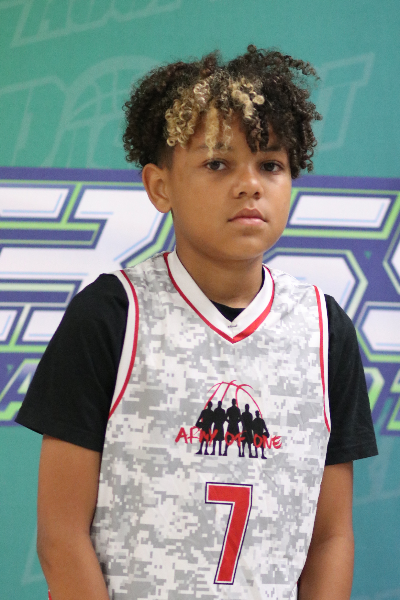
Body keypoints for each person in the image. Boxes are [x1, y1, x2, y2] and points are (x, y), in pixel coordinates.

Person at [15, 45, 378, 600]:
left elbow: (330, 537)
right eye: (217, 164)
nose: (250, 184)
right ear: (160, 186)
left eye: (271, 165)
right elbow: (61, 537)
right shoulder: (111, 316)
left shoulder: (325, 330)